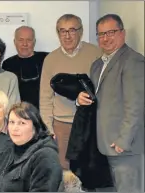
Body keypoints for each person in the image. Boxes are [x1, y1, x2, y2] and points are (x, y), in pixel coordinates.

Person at [77, 14, 144, 192]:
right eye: (101, 34)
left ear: (123, 33)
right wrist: (80, 99)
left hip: (124, 146)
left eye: (111, 32)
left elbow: (136, 105)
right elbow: (97, 99)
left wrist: (124, 139)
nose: (105, 38)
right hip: (103, 145)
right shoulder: (97, 65)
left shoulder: (133, 61)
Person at [39, 14, 102, 170]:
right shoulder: (50, 59)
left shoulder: (96, 54)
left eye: (72, 30)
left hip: (89, 124)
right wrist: (48, 129)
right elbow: (45, 97)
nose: (67, 36)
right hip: (62, 127)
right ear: (58, 33)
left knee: (89, 171)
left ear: (80, 31)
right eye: (62, 31)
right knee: (64, 172)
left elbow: (102, 89)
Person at [2, 26, 48, 109]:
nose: (25, 44)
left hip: (45, 113)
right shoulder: (7, 64)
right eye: (21, 40)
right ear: (14, 42)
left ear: (34, 42)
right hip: (20, 114)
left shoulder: (46, 59)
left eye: (29, 40)